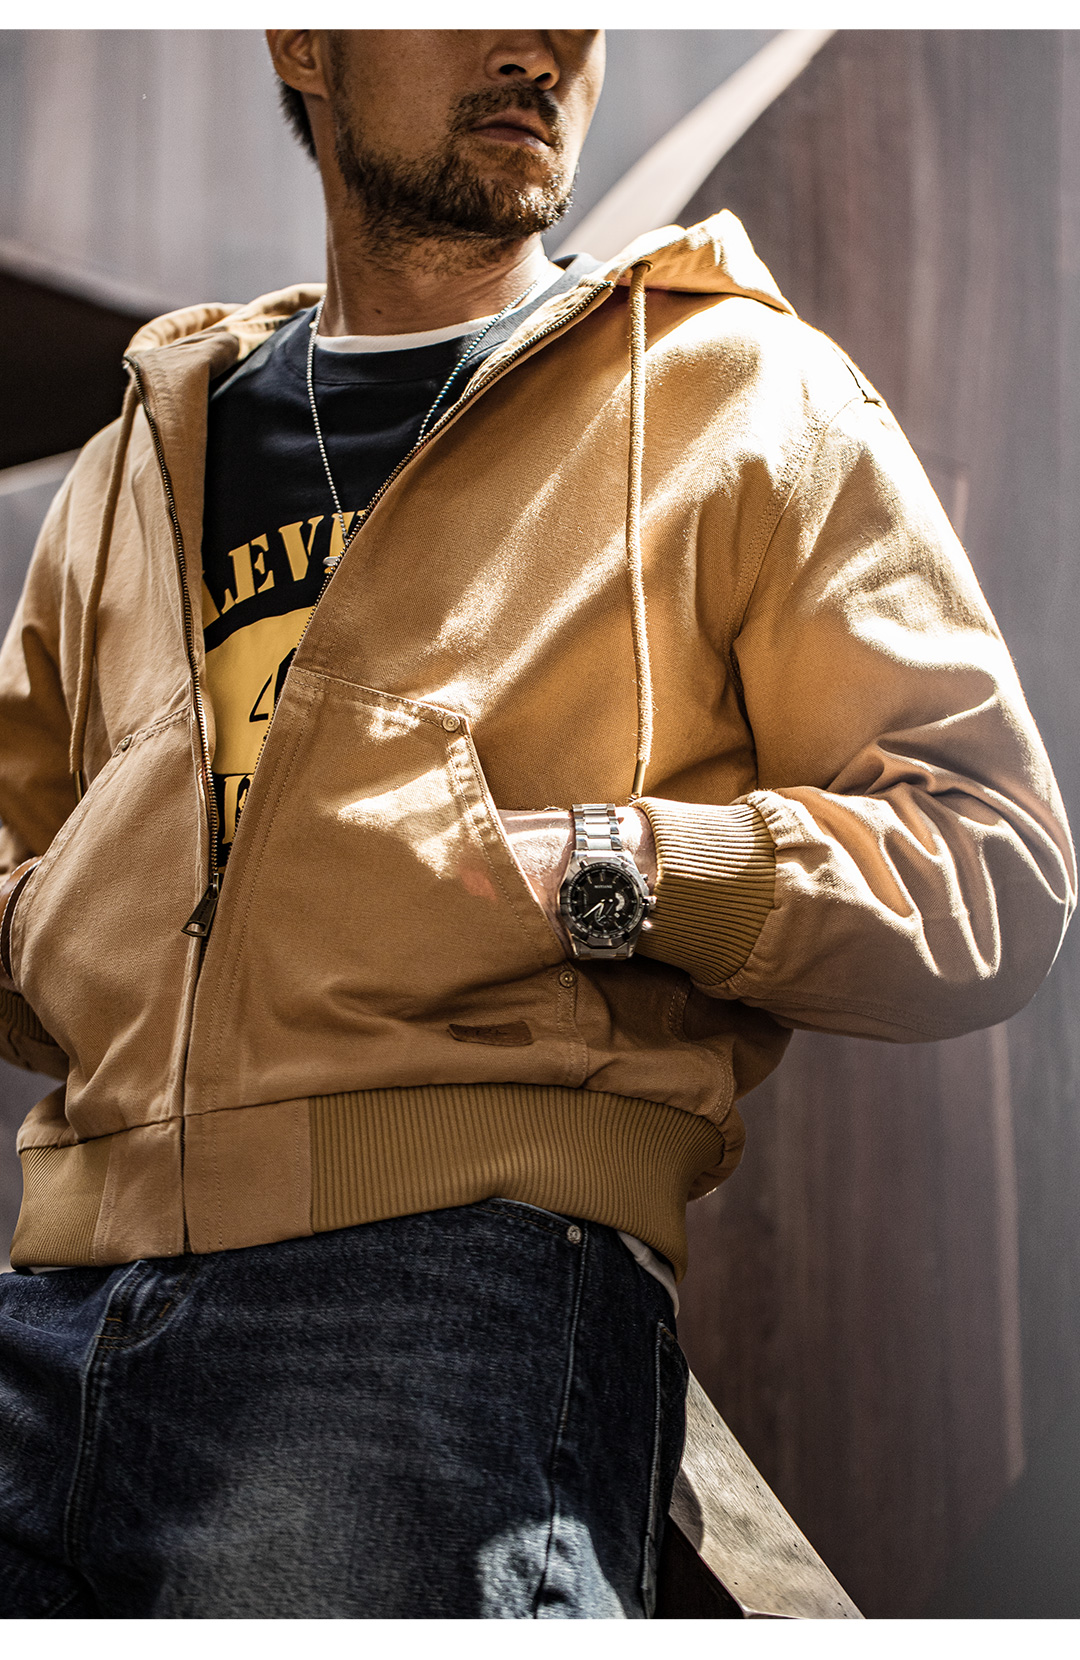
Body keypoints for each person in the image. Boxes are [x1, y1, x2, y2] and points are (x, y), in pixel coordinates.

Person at [0, 28, 1072, 1620]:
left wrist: (602, 871)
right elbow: (28, 849)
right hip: (53, 1300)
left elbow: (992, 861)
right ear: (305, 41)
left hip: (442, 1291)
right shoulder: (140, 454)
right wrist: (70, 927)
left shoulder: (742, 393)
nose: (546, 39)